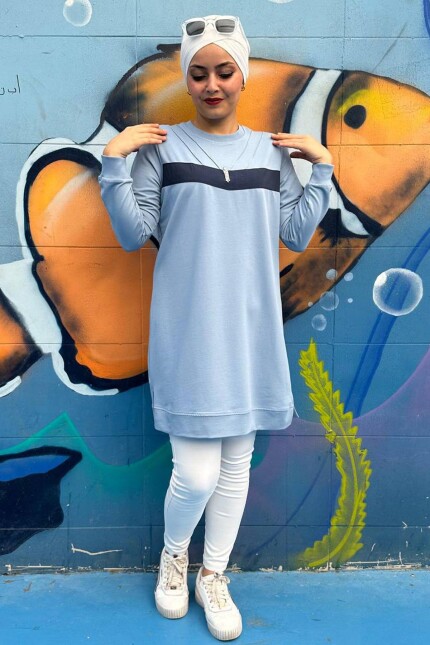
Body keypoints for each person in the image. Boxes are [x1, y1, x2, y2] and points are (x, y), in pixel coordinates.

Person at [98, 14, 333, 642]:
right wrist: (114, 163)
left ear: (242, 76)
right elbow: (131, 234)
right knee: (196, 475)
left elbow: (295, 233)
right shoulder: (161, 147)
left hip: (251, 333)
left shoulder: (270, 152)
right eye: (199, 73)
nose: (212, 85)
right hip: (188, 335)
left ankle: (213, 574)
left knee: (235, 469)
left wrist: (322, 169)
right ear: (187, 79)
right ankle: (174, 559)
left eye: (224, 71)